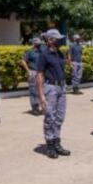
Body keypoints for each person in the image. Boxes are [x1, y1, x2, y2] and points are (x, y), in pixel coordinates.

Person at [36, 29, 71, 158]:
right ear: (50, 40)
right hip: (50, 88)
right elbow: (39, 75)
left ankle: (57, 142)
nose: (60, 40)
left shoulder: (59, 53)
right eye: (57, 38)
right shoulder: (44, 55)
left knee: (60, 116)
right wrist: (41, 95)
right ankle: (50, 144)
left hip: (61, 87)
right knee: (50, 116)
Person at [22, 37, 42, 114]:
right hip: (33, 72)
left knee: (41, 90)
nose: (39, 45)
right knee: (33, 90)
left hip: (41, 73)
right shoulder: (29, 51)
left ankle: (39, 106)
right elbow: (23, 61)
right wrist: (28, 71)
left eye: (39, 43)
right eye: (37, 44)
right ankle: (34, 108)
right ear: (33, 43)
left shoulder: (42, 51)